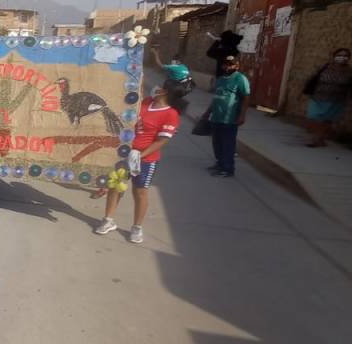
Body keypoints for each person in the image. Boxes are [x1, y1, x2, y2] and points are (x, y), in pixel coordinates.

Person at [95, 79, 187, 243]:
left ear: (165, 92)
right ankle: (108, 220)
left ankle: (137, 227)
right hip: (124, 153)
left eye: (161, 86)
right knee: (115, 186)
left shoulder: (171, 114)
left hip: (146, 159)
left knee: (140, 192)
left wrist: (140, 155)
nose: (157, 87)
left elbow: (161, 141)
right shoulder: (145, 102)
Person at [303, 48, 352, 147]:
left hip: (336, 99)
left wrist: (351, 97)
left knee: (327, 120)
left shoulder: (350, 71)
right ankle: (319, 138)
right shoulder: (324, 67)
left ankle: (317, 139)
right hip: (318, 97)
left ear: (349, 58)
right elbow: (312, 78)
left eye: (345, 56)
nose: (342, 57)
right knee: (313, 117)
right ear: (334, 56)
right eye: (340, 55)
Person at [207, 55, 251, 178]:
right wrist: (208, 112)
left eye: (231, 64)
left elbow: (246, 97)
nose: (227, 67)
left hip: (229, 118)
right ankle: (219, 163)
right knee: (217, 143)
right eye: (225, 64)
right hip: (216, 116)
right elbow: (216, 97)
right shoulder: (220, 79)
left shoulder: (240, 78)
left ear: (237, 66)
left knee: (227, 144)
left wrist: (242, 115)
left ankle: (227, 169)